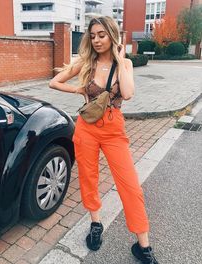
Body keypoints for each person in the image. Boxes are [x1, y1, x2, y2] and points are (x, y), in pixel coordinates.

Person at [49, 16, 158, 264]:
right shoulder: (86, 62)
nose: (97, 40)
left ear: (112, 35)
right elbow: (53, 82)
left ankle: (143, 246)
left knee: (130, 186)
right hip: (86, 129)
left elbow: (128, 94)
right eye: (93, 35)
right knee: (89, 178)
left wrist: (120, 60)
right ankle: (95, 223)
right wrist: (78, 90)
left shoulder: (125, 64)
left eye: (102, 34)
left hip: (113, 130)